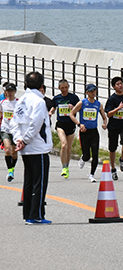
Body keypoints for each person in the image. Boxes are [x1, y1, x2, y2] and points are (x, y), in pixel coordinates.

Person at [12, 71, 52, 225]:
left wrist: (19, 140)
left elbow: (14, 123)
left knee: (29, 180)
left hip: (25, 146)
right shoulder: (39, 102)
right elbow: (36, 124)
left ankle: (28, 213)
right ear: (41, 86)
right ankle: (36, 214)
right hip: (37, 147)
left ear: (26, 84)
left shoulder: (20, 100)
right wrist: (26, 140)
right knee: (39, 182)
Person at [69, 84, 108, 183]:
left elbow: (104, 117)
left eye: (94, 90)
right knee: (87, 156)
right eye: (91, 91)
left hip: (94, 132)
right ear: (87, 92)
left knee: (95, 154)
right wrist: (79, 124)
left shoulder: (98, 104)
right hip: (84, 132)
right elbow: (71, 114)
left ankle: (92, 175)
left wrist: (104, 124)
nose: (93, 93)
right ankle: (83, 158)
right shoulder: (82, 103)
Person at [51, 79, 80, 179]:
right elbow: (53, 107)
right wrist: (51, 112)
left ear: (69, 87)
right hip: (60, 124)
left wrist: (73, 108)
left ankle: (67, 167)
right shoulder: (56, 98)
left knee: (68, 148)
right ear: (59, 88)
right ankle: (63, 167)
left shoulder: (74, 97)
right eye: (62, 88)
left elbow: (79, 108)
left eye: (66, 87)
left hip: (71, 125)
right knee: (64, 145)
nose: (64, 90)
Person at [0, 83, 18, 182]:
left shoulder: (19, 103)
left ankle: (12, 168)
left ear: (15, 92)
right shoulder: (2, 103)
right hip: (5, 129)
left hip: (15, 131)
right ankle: (10, 171)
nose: (10, 93)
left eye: (12, 91)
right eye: (8, 91)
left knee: (14, 153)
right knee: (8, 150)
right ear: (5, 92)